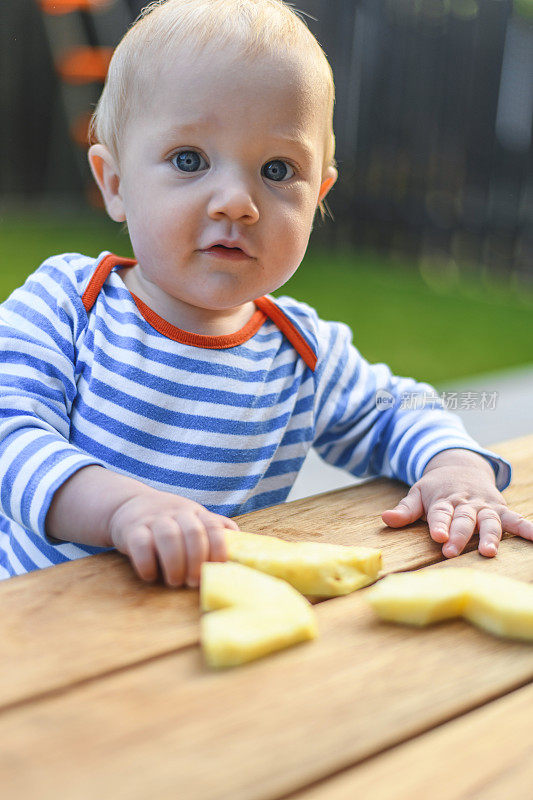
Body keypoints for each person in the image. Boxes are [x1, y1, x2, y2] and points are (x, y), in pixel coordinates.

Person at [1, 0, 531, 585]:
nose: (237, 200)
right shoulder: (69, 306)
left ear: (319, 194)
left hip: (204, 637)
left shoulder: (299, 352)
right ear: (116, 183)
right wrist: (122, 508)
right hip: (41, 628)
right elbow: (9, 437)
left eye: (277, 170)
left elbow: (395, 411)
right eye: (189, 159)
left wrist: (454, 467)